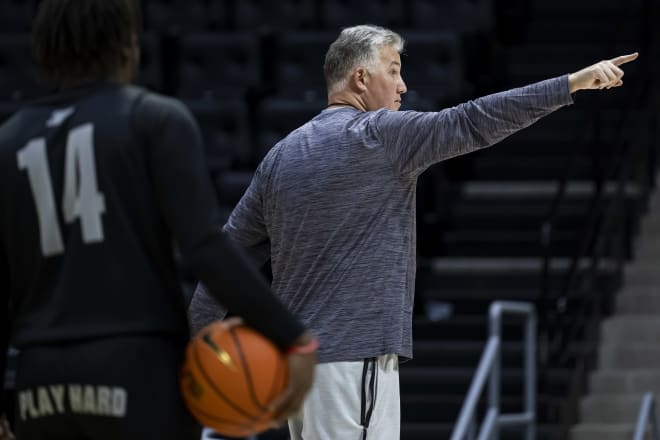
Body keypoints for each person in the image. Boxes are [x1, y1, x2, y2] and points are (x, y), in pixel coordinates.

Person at [188, 24, 638, 439]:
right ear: (361, 78)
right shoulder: (381, 135)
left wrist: (193, 352)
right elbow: (473, 120)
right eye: (394, 70)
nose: (403, 86)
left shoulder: (279, 157)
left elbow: (226, 262)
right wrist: (569, 85)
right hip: (353, 360)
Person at [0, 1, 318, 439]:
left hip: (41, 378)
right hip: (133, 366)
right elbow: (204, 246)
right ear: (128, 45)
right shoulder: (152, 119)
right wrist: (292, 335)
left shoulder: (9, 140)